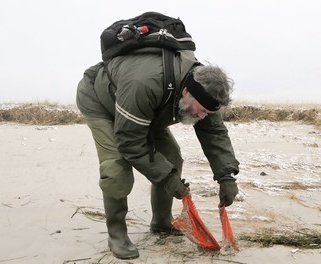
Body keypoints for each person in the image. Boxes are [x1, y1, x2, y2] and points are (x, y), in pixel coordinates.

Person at [76, 45, 240, 259]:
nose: (202, 116)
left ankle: (161, 222)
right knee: (117, 168)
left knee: (171, 156)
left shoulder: (207, 94)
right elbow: (130, 141)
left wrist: (226, 176)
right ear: (186, 92)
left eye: (207, 112)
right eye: (200, 110)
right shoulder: (144, 83)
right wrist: (167, 178)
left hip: (144, 109)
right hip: (101, 103)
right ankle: (117, 235)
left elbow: (215, 133)